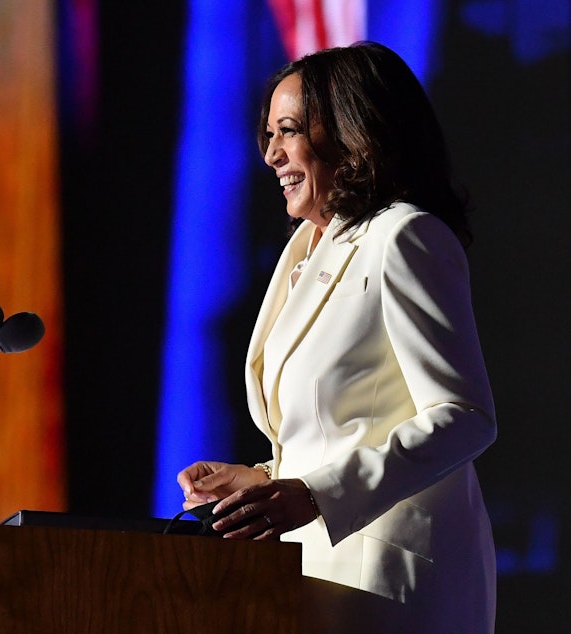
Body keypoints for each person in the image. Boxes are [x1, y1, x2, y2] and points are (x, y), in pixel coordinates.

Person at [177, 42, 496, 632]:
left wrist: (316, 494)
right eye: (268, 134)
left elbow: (466, 415)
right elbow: (345, 427)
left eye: (290, 130)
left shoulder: (404, 236)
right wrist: (264, 482)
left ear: (353, 133)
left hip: (389, 581)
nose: (272, 154)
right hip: (311, 571)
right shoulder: (307, 249)